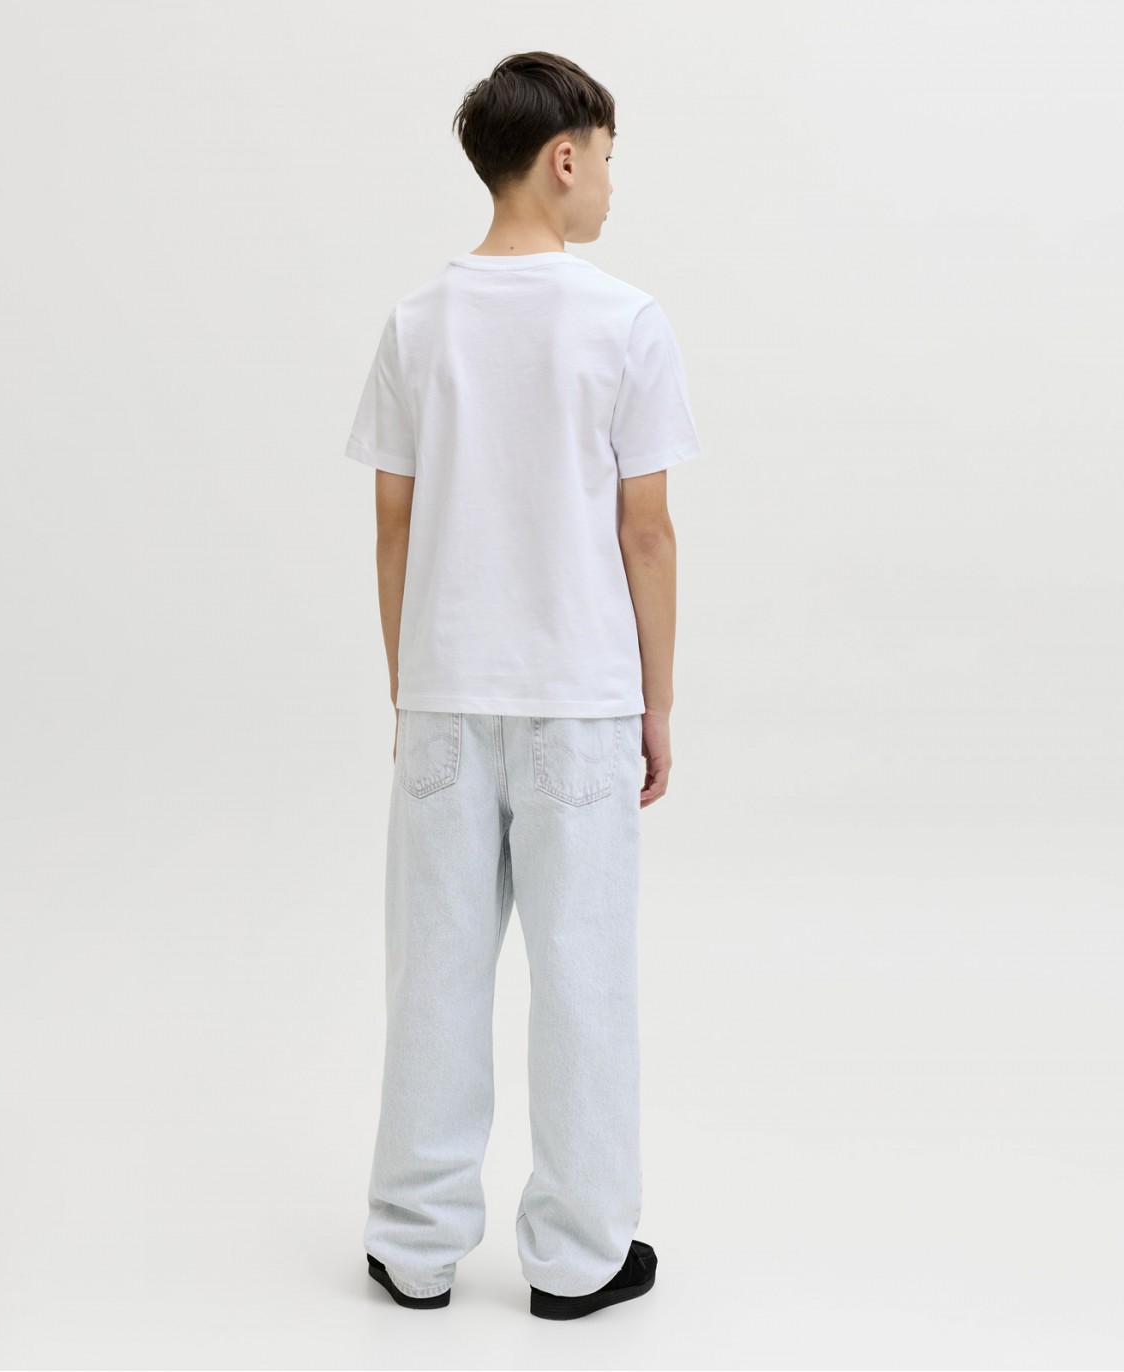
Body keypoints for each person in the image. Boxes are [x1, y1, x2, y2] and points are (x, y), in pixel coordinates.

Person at [344, 50, 703, 1320]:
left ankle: (413, 1244)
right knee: (584, 975)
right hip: (579, 700)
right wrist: (658, 702)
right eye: (604, 158)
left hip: (445, 696)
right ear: (562, 158)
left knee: (432, 974)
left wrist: (413, 688)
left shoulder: (415, 323)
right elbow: (646, 533)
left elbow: (393, 525)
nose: (607, 182)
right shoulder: (625, 321)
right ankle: (578, 1257)